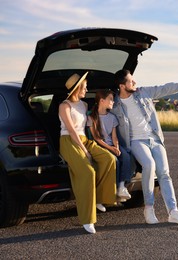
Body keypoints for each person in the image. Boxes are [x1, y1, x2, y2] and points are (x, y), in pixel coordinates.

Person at [111, 69, 178, 225]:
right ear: (122, 86)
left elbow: (165, 88)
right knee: (149, 165)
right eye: (130, 81)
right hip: (136, 141)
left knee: (164, 173)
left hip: (154, 138)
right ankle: (149, 208)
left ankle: (173, 212)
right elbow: (100, 116)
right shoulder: (115, 104)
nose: (134, 82)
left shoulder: (143, 92)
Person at [58, 72, 117, 234]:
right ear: (77, 88)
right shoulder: (65, 106)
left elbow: (88, 125)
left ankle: (98, 199)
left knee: (109, 159)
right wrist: (85, 152)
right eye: (84, 87)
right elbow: (71, 130)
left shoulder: (83, 105)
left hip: (84, 139)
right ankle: (87, 219)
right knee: (88, 172)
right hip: (69, 141)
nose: (87, 89)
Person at [87, 89, 133, 202]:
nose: (113, 102)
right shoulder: (91, 117)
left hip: (112, 144)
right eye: (111, 100)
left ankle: (122, 186)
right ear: (102, 101)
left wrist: (116, 147)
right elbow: (97, 138)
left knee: (126, 156)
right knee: (115, 161)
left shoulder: (112, 117)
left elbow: (114, 136)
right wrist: (110, 148)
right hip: (101, 146)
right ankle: (115, 189)